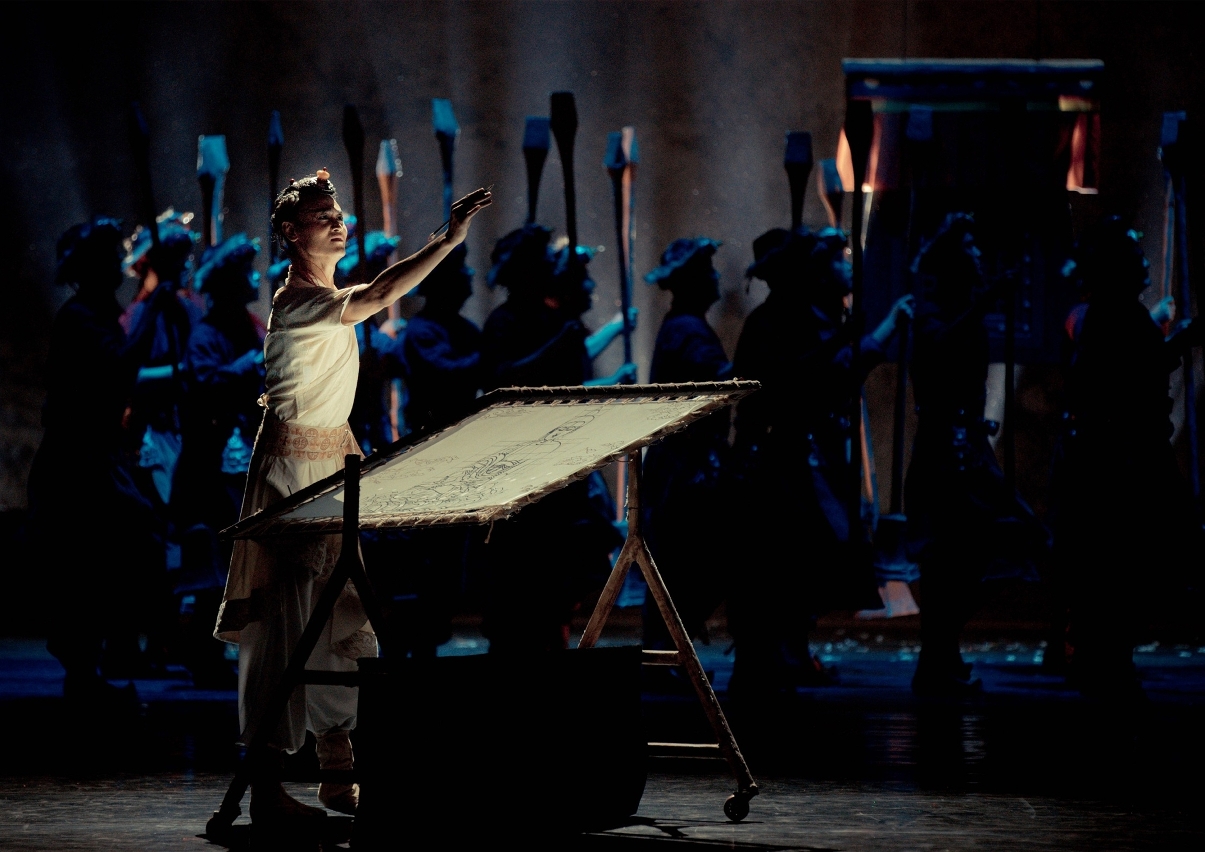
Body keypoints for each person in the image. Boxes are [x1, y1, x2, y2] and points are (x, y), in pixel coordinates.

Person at [213, 170, 491, 823]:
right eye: (323, 215)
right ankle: (267, 789)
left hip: (331, 470)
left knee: (336, 615)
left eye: (338, 213)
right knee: (284, 623)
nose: (338, 223)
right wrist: (447, 240)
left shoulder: (325, 298)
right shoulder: (296, 304)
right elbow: (382, 293)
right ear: (291, 232)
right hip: (290, 475)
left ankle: (337, 771)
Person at [729, 227, 913, 696]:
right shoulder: (773, 322)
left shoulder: (802, 318)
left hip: (798, 456)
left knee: (798, 560)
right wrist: (855, 340)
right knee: (778, 562)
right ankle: (766, 661)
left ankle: (787, 653)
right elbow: (802, 382)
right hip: (774, 459)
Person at [26, 217, 175, 708]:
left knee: (113, 553)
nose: (118, 266)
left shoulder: (99, 313)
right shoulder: (79, 318)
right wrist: (154, 306)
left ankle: (104, 658)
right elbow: (119, 365)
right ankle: (91, 669)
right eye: (109, 258)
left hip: (96, 456)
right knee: (90, 561)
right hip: (77, 463)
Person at [1055, 216, 1201, 699]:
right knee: (1119, 562)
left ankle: (1107, 658)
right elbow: (1129, 372)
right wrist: (1180, 339)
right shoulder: (1109, 315)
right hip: (1120, 460)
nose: (1144, 264)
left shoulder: (1116, 313)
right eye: (1136, 257)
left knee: (1120, 564)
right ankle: (1104, 662)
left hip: (1120, 454)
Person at [904, 213, 1048, 697]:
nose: (980, 257)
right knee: (949, 555)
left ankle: (941, 653)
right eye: (970, 250)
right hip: (945, 450)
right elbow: (939, 348)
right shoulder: (931, 315)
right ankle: (936, 659)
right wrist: (985, 302)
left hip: (968, 446)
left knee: (986, 547)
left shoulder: (960, 313)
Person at [476, 227, 629, 655]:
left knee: (560, 583)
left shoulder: (554, 320)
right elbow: (501, 382)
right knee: (520, 585)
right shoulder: (504, 322)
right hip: (519, 470)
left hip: (560, 469)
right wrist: (556, 346)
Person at [171, 233, 267, 687]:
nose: (254, 279)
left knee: (240, 559)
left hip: (244, 458)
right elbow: (207, 385)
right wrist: (249, 366)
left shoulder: (251, 327)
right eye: (245, 273)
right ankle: (203, 654)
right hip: (211, 467)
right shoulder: (207, 335)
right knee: (213, 562)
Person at [639, 238, 733, 672]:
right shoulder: (686, 330)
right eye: (708, 272)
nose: (715, 279)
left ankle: (669, 654)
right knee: (685, 565)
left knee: (683, 566)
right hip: (685, 469)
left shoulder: (684, 326)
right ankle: (665, 656)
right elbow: (710, 385)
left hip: (684, 465)